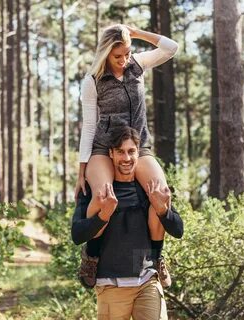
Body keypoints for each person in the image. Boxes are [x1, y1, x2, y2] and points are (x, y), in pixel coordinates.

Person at [76, 24, 179, 286]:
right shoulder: (92, 81)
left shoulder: (138, 65)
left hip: (138, 147)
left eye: (126, 54)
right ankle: (92, 256)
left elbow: (171, 48)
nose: (123, 61)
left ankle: (156, 258)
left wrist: (138, 34)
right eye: (117, 56)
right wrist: (81, 172)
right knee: (102, 194)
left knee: (160, 191)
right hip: (104, 147)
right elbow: (89, 126)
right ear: (105, 53)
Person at [72, 127, 183, 320]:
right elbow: (77, 235)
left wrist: (163, 211)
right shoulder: (98, 191)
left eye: (131, 151)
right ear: (111, 154)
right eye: (121, 152)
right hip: (111, 284)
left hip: (147, 281)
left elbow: (178, 230)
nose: (126, 158)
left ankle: (157, 259)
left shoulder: (149, 188)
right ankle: (90, 260)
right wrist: (103, 216)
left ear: (138, 152)